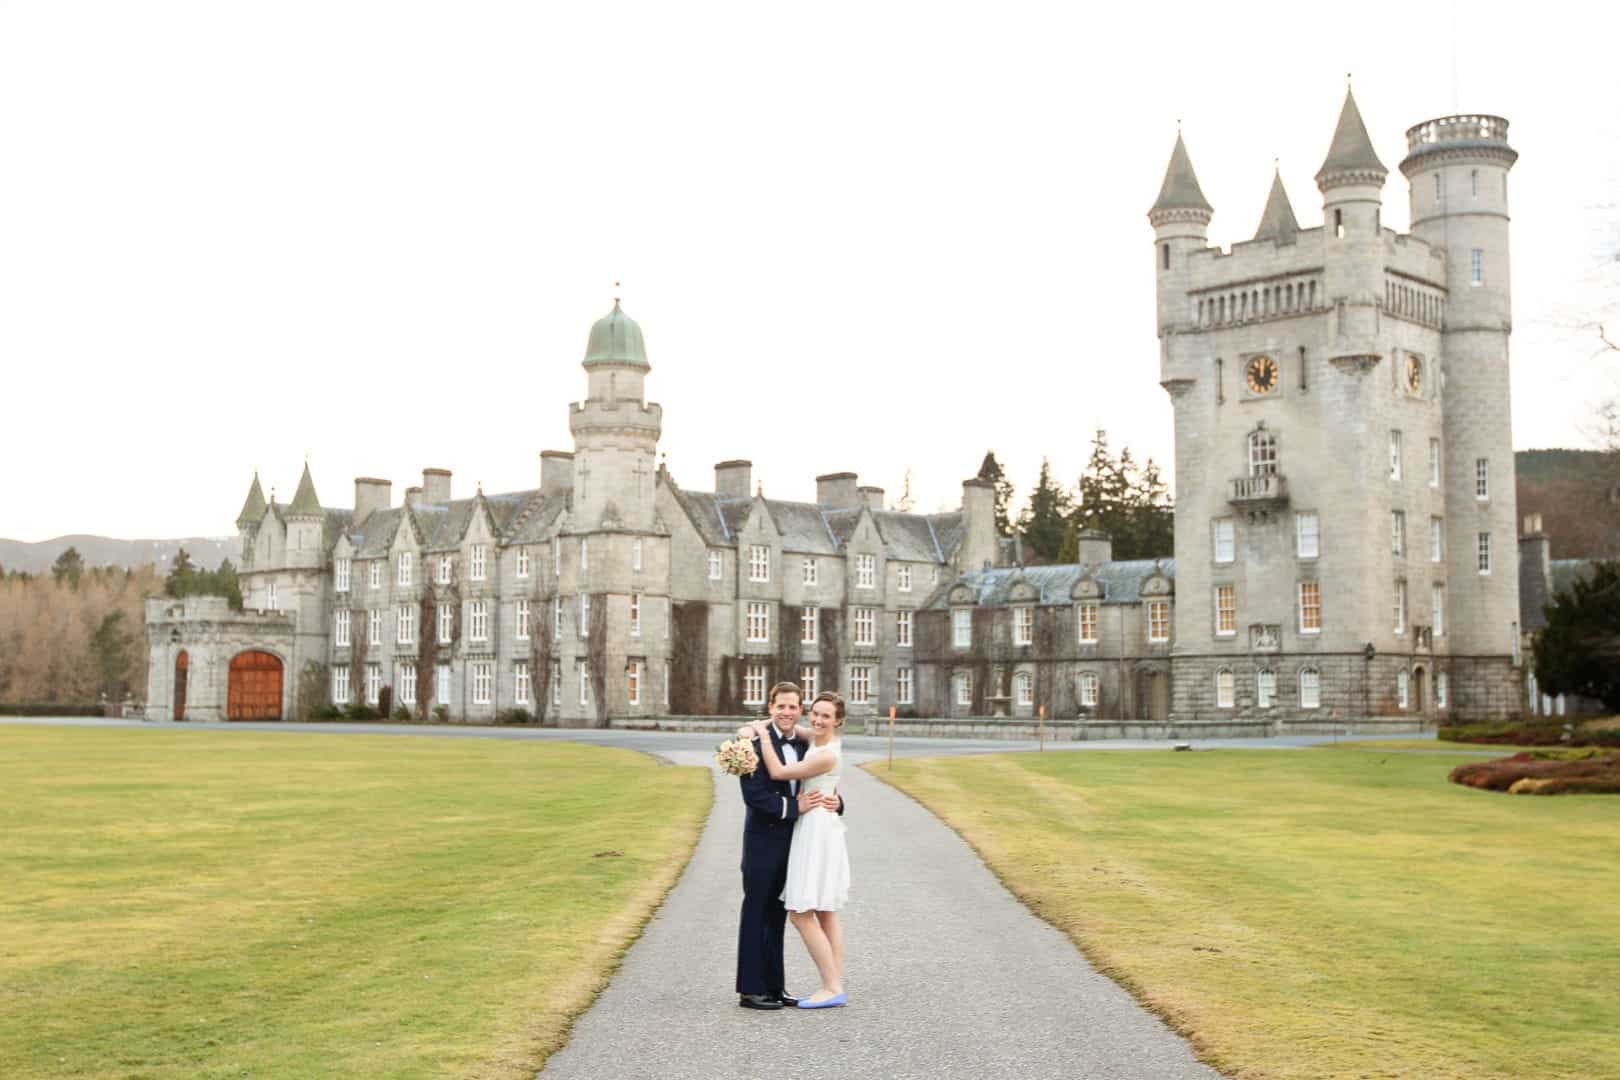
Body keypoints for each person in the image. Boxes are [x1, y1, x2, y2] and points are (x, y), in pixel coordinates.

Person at [735, 682, 844, 1011]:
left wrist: (836, 803)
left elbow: (820, 778)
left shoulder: (802, 740)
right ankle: (751, 989)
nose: (786, 712)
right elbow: (755, 797)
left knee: (778, 916)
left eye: (792, 707)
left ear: (800, 711)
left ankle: (774, 986)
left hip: (796, 843)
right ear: (770, 707)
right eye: (780, 706)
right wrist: (794, 808)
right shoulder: (752, 744)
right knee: (756, 912)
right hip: (762, 842)